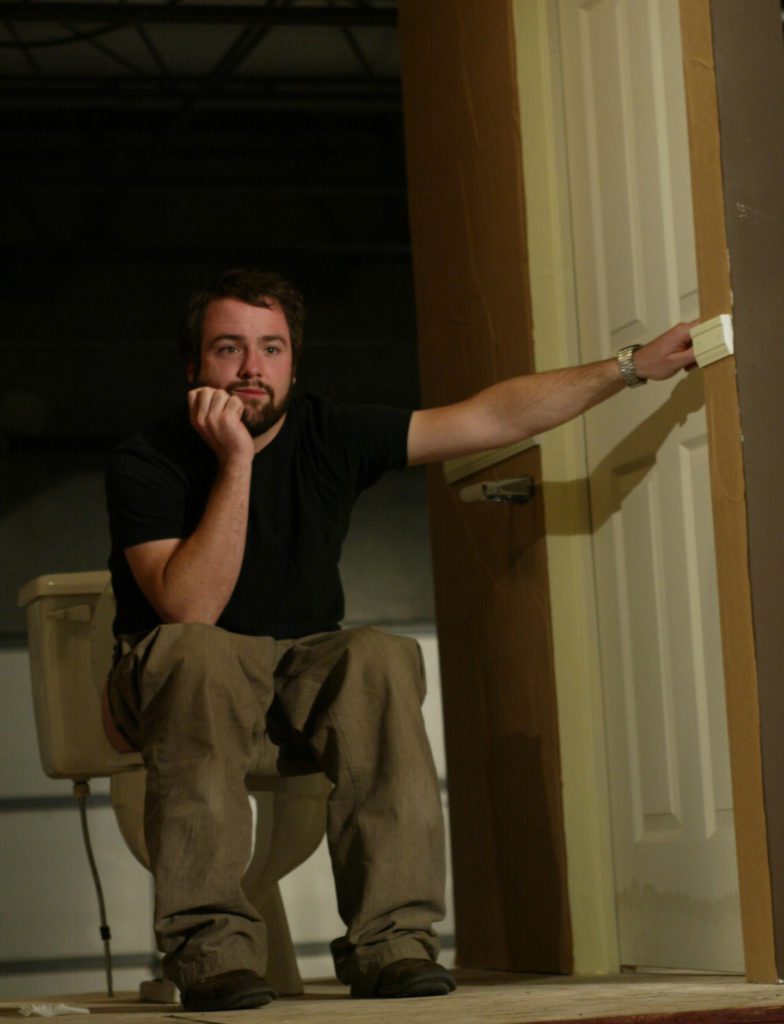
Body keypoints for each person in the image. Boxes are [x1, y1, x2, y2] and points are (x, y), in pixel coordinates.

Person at [103, 268, 696, 1012]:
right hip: (177, 681)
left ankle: (391, 943)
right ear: (193, 366)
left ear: (293, 364)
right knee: (202, 653)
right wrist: (237, 462)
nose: (252, 368)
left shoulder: (329, 431)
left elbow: (489, 418)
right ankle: (210, 952)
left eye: (271, 349)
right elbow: (192, 608)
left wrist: (632, 366)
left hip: (293, 678)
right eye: (229, 349)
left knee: (377, 655)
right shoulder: (146, 459)